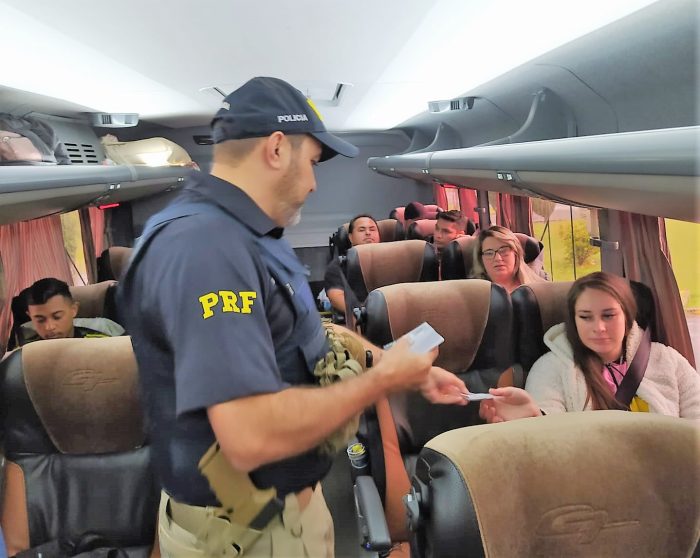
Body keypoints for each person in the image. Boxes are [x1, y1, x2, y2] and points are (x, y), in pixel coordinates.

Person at [118, 76, 467, 558]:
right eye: (312, 163)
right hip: (246, 534)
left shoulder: (252, 234)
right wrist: (382, 381)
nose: (314, 182)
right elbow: (250, 435)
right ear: (277, 148)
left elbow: (304, 334)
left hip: (284, 516)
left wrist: (392, 361)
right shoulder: (205, 248)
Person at [480, 272, 700, 422]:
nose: (599, 327)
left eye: (609, 315)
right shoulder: (550, 368)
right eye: (586, 317)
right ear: (574, 320)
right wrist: (534, 419)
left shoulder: (668, 360)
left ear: (628, 316)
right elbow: (551, 442)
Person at [21, 277, 123, 344]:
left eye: (57, 317)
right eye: (40, 320)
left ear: (74, 310)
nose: (49, 327)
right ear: (30, 316)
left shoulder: (103, 343)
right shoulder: (23, 354)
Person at [324, 214, 380, 314]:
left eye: (372, 229)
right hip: (359, 319)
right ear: (351, 237)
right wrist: (366, 315)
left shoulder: (394, 259)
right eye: (361, 230)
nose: (368, 233)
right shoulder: (338, 264)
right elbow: (336, 297)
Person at [470, 225, 544, 293]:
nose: (498, 258)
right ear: (481, 260)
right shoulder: (474, 294)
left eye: (503, 250)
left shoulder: (540, 288)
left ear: (516, 253)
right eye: (489, 253)